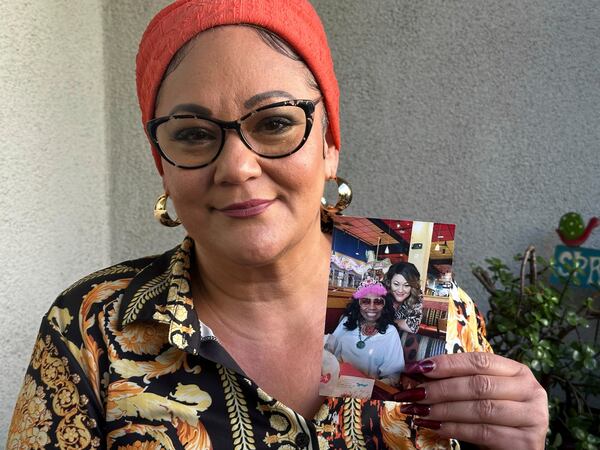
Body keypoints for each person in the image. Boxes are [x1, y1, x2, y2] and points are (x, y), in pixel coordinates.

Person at [6, 0, 548, 448]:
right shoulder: (92, 328)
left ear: (330, 144)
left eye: (275, 123)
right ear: (162, 165)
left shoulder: (435, 307)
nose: (238, 167)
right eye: (193, 134)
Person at [327, 279, 404, 385]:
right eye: (365, 301)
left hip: (365, 391)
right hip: (334, 382)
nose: (372, 307)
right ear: (358, 304)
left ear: (384, 306)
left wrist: (367, 387)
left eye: (378, 302)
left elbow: (393, 377)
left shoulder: (390, 332)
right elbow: (328, 351)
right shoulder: (347, 321)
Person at [385, 262, 424, 333]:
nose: (400, 290)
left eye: (406, 285)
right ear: (389, 283)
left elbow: (412, 327)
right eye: (396, 284)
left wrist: (386, 321)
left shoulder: (417, 296)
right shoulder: (381, 292)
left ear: (413, 286)